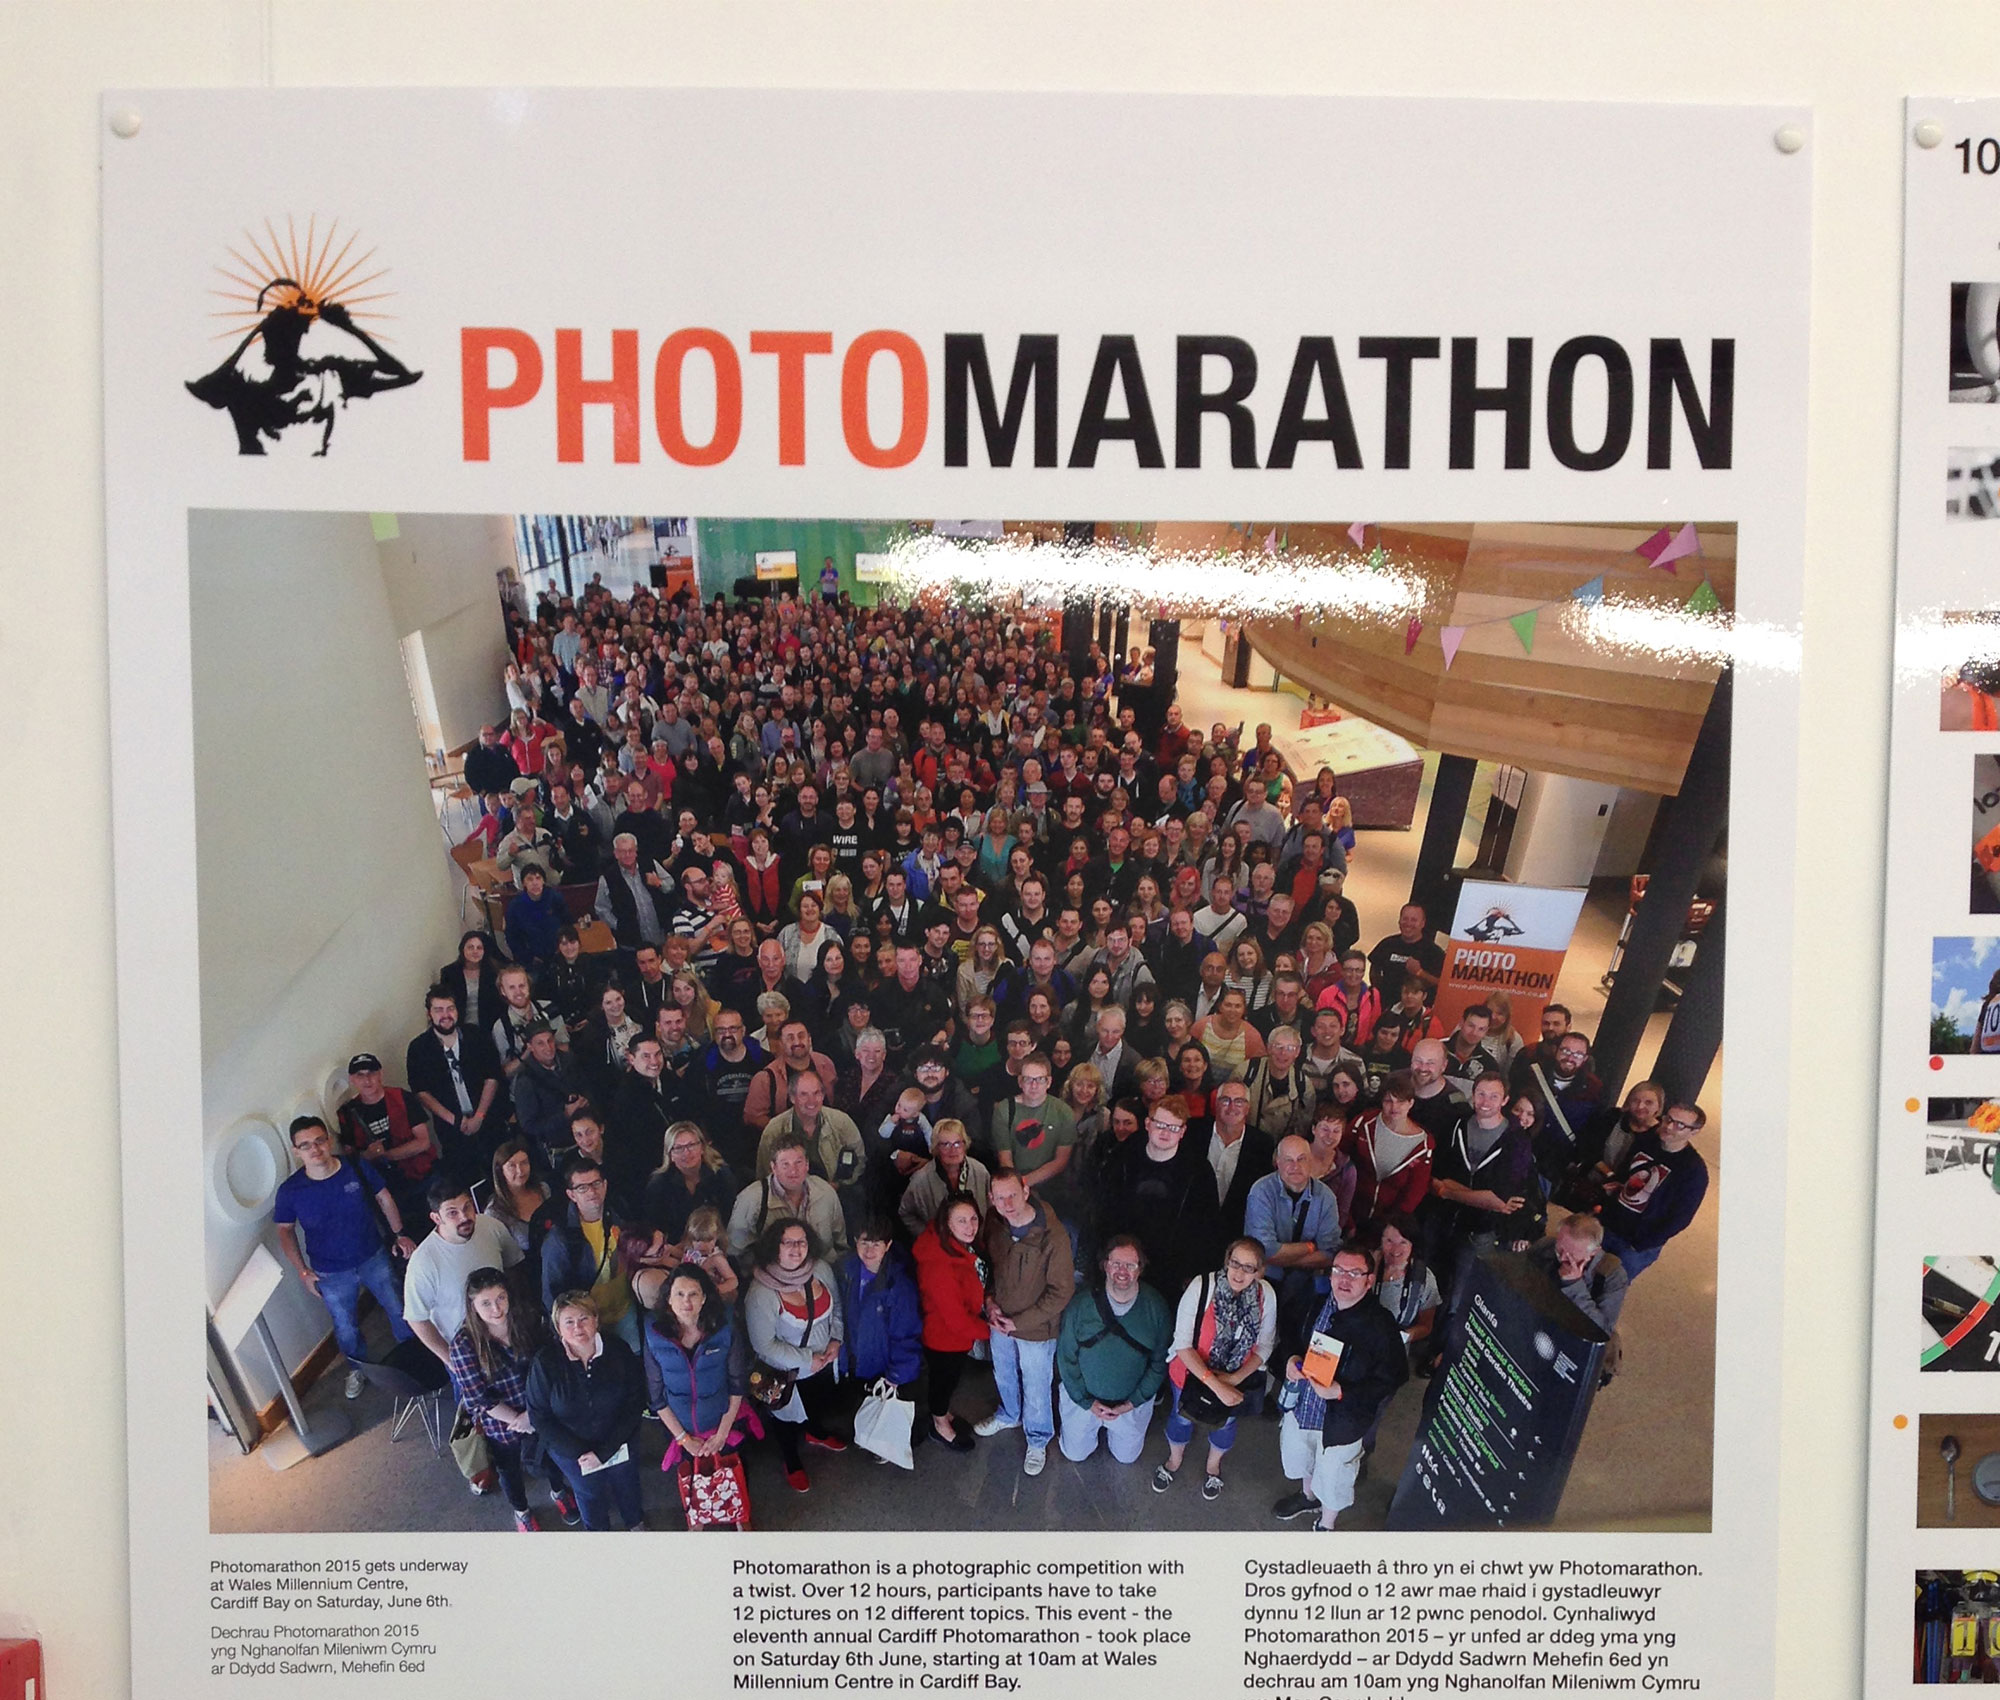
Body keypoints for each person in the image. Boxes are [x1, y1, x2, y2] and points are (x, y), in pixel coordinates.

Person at [272, 1116, 416, 1398]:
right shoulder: (290, 1191)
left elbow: (384, 1197)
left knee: (398, 1307)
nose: (315, 1149)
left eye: (319, 1141)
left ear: (328, 1140)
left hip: (373, 1256)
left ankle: (412, 1354)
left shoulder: (354, 1167)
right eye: (305, 1145)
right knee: (346, 1326)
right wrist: (302, 1271)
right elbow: (285, 1232)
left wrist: (400, 1233)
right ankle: (357, 1368)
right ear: (295, 1151)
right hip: (330, 1273)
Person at [1273, 1241, 1410, 1531]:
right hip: (1302, 1406)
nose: (1344, 1279)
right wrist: (1289, 1358)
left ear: (1369, 1281)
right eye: (1338, 1271)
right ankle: (1307, 1496)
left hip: (1341, 1422)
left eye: (1354, 1273)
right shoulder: (1315, 1301)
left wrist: (1341, 1392)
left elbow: (1394, 1377)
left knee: (1334, 1476)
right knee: (1302, 1458)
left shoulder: (1381, 1325)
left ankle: (1326, 1524)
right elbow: (1288, 1333)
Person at [448, 1268, 570, 1531]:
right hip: (502, 1424)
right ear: (473, 1306)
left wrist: (532, 1414)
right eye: (486, 1303)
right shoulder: (463, 1345)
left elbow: (550, 1362)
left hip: (539, 1408)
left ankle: (559, 1492)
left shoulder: (526, 1320)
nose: (496, 1309)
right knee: (509, 1470)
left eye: (501, 1298)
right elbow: (478, 1397)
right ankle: (521, 1511)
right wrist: (517, 1419)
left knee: (551, 1456)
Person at [973, 1172, 1077, 1477]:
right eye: (999, 1197)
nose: (1007, 1204)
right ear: (991, 1198)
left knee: (1036, 1385)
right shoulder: (995, 1222)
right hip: (998, 1319)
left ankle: (1038, 1437)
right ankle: (1009, 1414)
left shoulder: (1053, 1235)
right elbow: (989, 1267)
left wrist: (1017, 1323)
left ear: (1026, 1190)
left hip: (1035, 1329)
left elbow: (1061, 1291)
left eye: (1013, 1195)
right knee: (1003, 1371)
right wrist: (990, 1302)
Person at [1157, 1237, 1277, 1499]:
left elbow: (1264, 1346)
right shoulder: (1202, 1288)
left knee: (1225, 1423)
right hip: (1190, 1372)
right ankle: (1174, 1460)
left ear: (1260, 1271)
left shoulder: (1266, 1295)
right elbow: (1183, 1345)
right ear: (1226, 1261)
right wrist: (1216, 1384)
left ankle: (1213, 1466)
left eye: (1249, 1267)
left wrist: (1232, 1380)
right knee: (1181, 1416)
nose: (1239, 1273)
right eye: (1235, 1263)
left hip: (1236, 1378)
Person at [526, 1291, 648, 1531]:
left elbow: (634, 1403)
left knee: (627, 1485)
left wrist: (605, 1451)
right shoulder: (545, 1362)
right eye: (568, 1322)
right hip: (573, 1451)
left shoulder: (619, 1351)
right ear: (558, 1328)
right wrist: (580, 1453)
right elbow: (540, 1416)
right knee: (589, 1495)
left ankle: (635, 1524)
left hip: (618, 1441)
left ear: (596, 1320)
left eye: (583, 1318)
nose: (577, 1328)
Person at [743, 1219, 848, 1492]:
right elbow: (763, 1345)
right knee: (785, 1420)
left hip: (823, 1362)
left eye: (801, 1241)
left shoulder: (821, 1270)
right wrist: (806, 1359)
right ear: (774, 1247)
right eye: (787, 1242)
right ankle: (791, 1461)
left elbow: (836, 1309)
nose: (796, 1248)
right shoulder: (761, 1292)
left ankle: (816, 1433)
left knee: (818, 1406)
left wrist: (836, 1340)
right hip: (786, 1372)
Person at [1055, 1235, 1173, 1466]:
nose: (1122, 1271)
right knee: (1074, 1454)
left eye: (1131, 1265)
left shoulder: (1156, 1308)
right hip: (1084, 1401)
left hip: (1129, 1404)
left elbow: (1160, 1362)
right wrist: (1085, 1401)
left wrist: (1134, 1401)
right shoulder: (1081, 1304)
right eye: (1116, 1263)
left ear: (1140, 1269)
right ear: (1105, 1265)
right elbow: (1066, 1356)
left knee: (1127, 1457)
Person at [1096, 1093, 1224, 1301]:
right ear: (1147, 1124)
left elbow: (1206, 1228)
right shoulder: (1122, 1158)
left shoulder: (1199, 1171)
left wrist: (1192, 1274)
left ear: (1182, 1131)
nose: (1165, 1132)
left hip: (1172, 1268)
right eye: (1160, 1124)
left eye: (1173, 1128)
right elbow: (1104, 1212)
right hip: (1124, 1261)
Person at [404, 1177, 526, 1367]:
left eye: (467, 1207)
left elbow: (514, 1266)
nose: (464, 1217)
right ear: (436, 1218)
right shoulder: (423, 1263)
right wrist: (451, 1360)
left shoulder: (491, 1226)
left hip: (511, 1338)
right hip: (469, 1352)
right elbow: (417, 1319)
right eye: (452, 1213)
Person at [642, 1263, 749, 1481]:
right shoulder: (654, 1332)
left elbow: (737, 1383)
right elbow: (656, 1396)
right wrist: (684, 1439)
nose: (686, 1302)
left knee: (731, 1480)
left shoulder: (724, 1327)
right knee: (694, 1484)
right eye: (679, 1294)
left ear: (704, 1298)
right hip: (679, 1430)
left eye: (693, 1294)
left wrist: (722, 1434)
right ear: (669, 1299)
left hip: (721, 1423)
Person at [1243, 1135, 1342, 1360]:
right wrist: (1309, 1246)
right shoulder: (1261, 1191)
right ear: (1277, 1161)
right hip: (1264, 1278)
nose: (1294, 1166)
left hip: (1306, 1283)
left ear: (1311, 1162)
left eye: (1301, 1159)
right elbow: (1263, 1251)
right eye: (1288, 1159)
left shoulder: (1326, 1197)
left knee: (1301, 1337)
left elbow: (1330, 1254)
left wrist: (1282, 1256)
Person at [910, 1192, 990, 1451]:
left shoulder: (957, 1244)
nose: (970, 1227)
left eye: (973, 1218)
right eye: (961, 1221)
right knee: (943, 1383)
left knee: (947, 1380)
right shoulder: (939, 1265)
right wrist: (991, 1330)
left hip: (955, 1336)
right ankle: (939, 1424)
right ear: (947, 1224)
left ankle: (942, 1413)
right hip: (945, 1338)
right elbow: (955, 1319)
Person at [540, 1156, 646, 1350]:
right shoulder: (560, 1238)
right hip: (587, 1322)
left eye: (596, 1183)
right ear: (571, 1195)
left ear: (605, 1185)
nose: (591, 1191)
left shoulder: (620, 1215)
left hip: (624, 1311)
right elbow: (551, 1294)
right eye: (582, 1187)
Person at [1597, 1102, 1710, 1279]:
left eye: (1680, 1125)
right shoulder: (1646, 1141)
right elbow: (1626, 1171)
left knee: (1609, 1286)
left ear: (1694, 1132)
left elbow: (1680, 1218)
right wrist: (1616, 1186)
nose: (1669, 1127)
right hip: (1609, 1225)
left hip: (1636, 1244)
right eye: (1668, 1119)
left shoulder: (1694, 1171)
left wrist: (1642, 1242)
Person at [405, 984, 504, 1179]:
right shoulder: (418, 1048)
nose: (446, 1015)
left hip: (488, 1119)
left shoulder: (476, 1035)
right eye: (439, 1010)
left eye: (450, 1008)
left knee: (500, 1171)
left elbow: (492, 1076)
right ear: (429, 1014)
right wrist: (456, 1121)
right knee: (466, 1177)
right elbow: (421, 1091)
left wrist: (480, 1116)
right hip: (451, 1128)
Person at [335, 1052, 438, 1235]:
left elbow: (423, 1142)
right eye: (360, 1075)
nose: (367, 1079)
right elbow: (351, 1159)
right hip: (387, 1192)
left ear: (380, 1074)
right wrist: (368, 1155)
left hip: (423, 1179)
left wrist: (385, 1155)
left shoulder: (402, 1097)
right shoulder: (348, 1113)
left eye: (371, 1073)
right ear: (352, 1080)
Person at [837, 1218, 925, 1419]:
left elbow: (907, 1333)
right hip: (855, 1363)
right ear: (855, 1242)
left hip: (883, 1369)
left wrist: (895, 1375)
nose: (869, 1251)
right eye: (864, 1242)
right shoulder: (846, 1272)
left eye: (877, 1244)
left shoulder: (899, 1286)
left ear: (888, 1246)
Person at [729, 1132, 850, 1258]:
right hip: (771, 1271)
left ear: (807, 1165)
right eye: (785, 1164)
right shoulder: (751, 1199)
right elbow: (736, 1252)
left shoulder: (826, 1193)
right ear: (774, 1167)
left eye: (798, 1162)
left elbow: (840, 1244)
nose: (793, 1171)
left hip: (820, 1267)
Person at [1348, 1072, 1434, 1234]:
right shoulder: (1363, 1123)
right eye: (1389, 1101)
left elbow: (1413, 1195)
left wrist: (1388, 1229)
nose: (1394, 1107)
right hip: (1349, 1213)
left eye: (1401, 1102)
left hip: (1387, 1226)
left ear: (1411, 1103)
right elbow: (1340, 1161)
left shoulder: (1423, 1145)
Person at [1525, 1212, 1629, 1335]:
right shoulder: (1547, 1245)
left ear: (1594, 1252)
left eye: (1571, 1255)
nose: (1562, 1257)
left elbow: (1602, 1330)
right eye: (1560, 1248)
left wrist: (1574, 1285)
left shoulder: (1613, 1275)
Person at [990, 1052, 1078, 1198]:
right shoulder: (1004, 1110)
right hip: (1012, 1181)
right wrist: (1016, 1186)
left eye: (1040, 1079)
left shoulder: (1063, 1112)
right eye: (1028, 1079)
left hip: (1051, 1186)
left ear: (1049, 1082)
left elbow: (1060, 1161)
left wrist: (1024, 1183)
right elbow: (1005, 1157)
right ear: (1020, 1082)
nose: (1034, 1085)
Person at [643, 1121, 739, 1245]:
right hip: (673, 1248)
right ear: (670, 1155)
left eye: (691, 1145)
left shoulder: (722, 1176)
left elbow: (730, 1219)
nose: (687, 1153)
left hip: (716, 1244)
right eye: (678, 1148)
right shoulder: (658, 1185)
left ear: (702, 1148)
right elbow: (653, 1228)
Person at [510, 1020, 587, 1168]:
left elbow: (586, 1086)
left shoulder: (569, 1060)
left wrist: (584, 1102)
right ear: (530, 1047)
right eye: (540, 1043)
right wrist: (564, 1115)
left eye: (550, 1041)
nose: (548, 1047)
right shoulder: (525, 1080)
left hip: (585, 1134)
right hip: (558, 1146)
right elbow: (529, 1125)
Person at [1373, 1213, 1440, 1370]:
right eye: (1389, 1241)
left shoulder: (1423, 1279)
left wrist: (1401, 1337)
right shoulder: (1365, 1263)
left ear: (1412, 1245)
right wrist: (1373, 1269)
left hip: (1390, 1353)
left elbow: (1426, 1326)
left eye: (1403, 1242)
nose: (1395, 1249)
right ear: (1380, 1240)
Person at [486, 1138, 554, 1257]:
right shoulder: (494, 1212)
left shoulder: (543, 1189)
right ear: (500, 1171)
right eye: (512, 1166)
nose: (520, 1171)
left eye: (524, 1163)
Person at [1366, 904, 1443, 1006]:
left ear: (1422, 923)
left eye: (1413, 920)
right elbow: (1374, 970)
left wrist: (1419, 972)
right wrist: (1377, 992)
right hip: (1385, 1008)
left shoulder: (1434, 952)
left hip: (1415, 1013)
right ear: (1399, 921)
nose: (1408, 923)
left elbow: (1442, 985)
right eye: (1405, 919)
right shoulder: (1387, 943)